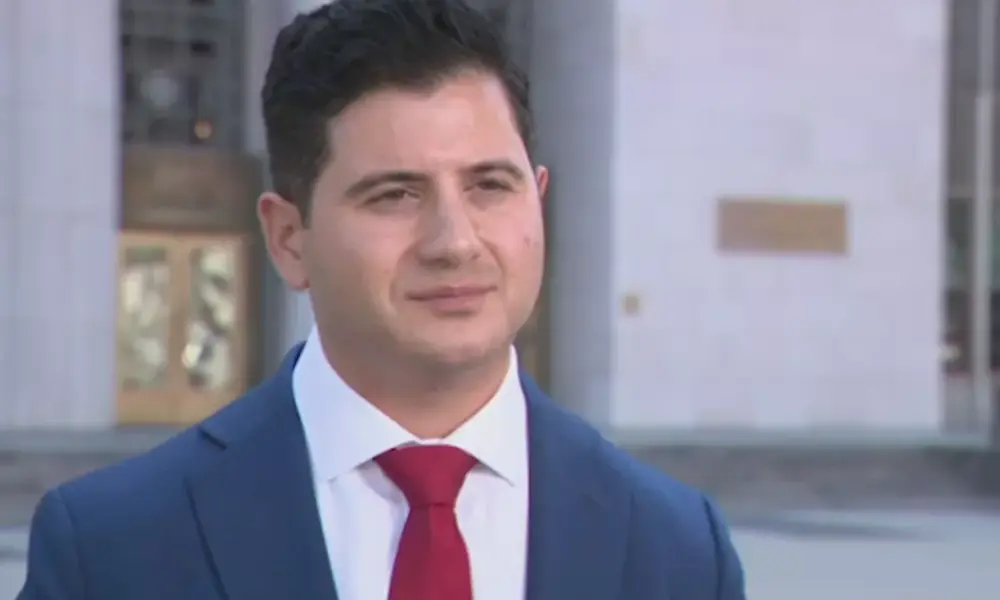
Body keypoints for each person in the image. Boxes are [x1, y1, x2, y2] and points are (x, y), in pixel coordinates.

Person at [18, 0, 746, 598]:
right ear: (289, 239)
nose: (455, 242)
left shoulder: (677, 548)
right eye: (395, 195)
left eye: (490, 186)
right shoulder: (112, 548)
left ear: (540, 199)